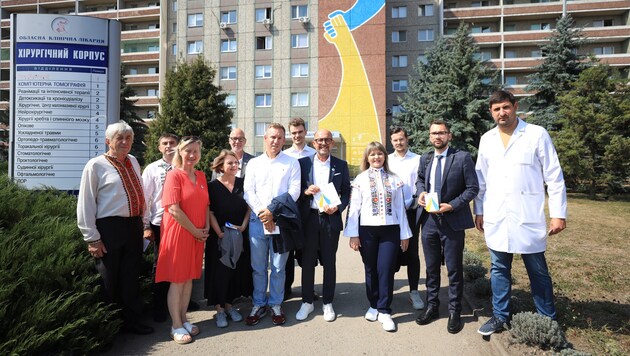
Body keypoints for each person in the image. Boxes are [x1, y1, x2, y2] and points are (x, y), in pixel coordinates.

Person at [474, 90, 567, 336]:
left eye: (506, 107)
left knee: (537, 270)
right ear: (491, 112)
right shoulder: (487, 139)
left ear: (515, 106)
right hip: (496, 215)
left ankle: (548, 319)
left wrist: (558, 214)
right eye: (496, 109)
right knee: (498, 269)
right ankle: (499, 316)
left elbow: (554, 176)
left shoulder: (536, 134)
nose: (502, 113)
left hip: (528, 216)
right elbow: (480, 180)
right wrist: (479, 210)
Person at [77, 121, 154, 335]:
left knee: (131, 278)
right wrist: (92, 238)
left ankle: (132, 323)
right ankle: (105, 329)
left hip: (133, 226)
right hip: (109, 228)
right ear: (107, 141)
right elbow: (86, 203)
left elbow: (141, 195)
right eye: (119, 138)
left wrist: (144, 224)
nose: (124, 142)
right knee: (108, 280)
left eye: (128, 138)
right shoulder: (95, 165)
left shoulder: (134, 161)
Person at [414, 120, 479, 334]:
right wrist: (421, 192)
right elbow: (420, 180)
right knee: (431, 268)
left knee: (453, 269)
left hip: (452, 222)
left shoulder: (462, 158)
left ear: (449, 135)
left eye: (441, 133)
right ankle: (432, 306)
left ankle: (455, 311)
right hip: (429, 222)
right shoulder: (426, 158)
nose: (437, 137)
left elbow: (472, 188)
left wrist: (452, 205)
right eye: (434, 133)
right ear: (430, 136)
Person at [345, 142, 412, 332]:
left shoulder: (394, 179)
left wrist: (405, 234)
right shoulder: (360, 179)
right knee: (370, 268)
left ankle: (384, 310)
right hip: (367, 231)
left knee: (386, 269)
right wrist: (353, 235)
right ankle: (373, 305)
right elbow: (354, 209)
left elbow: (401, 209)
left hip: (390, 231)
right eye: (372, 155)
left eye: (379, 154)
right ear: (367, 158)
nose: (376, 157)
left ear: (385, 157)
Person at [244, 123, 301, 326]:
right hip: (257, 223)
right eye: (272, 137)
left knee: (278, 267)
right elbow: (248, 191)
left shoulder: (292, 163)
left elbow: (293, 192)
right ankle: (259, 304)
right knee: (258, 267)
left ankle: (276, 303)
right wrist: (263, 213)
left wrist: (272, 213)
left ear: (283, 140)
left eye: (279, 138)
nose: (275, 141)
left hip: (280, 223)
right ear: (265, 139)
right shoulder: (254, 163)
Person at [155, 136, 210, 344]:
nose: (192, 155)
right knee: (177, 281)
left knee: (188, 280)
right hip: (179, 234)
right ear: (180, 152)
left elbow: (206, 205)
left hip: (197, 235)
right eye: (188, 151)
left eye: (196, 151)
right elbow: (174, 209)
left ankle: (184, 319)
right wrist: (196, 231)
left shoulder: (201, 176)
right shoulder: (173, 175)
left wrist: (204, 228)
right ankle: (175, 325)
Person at [295, 129, 351, 322]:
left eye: (327, 140)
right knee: (308, 262)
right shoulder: (302, 164)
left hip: (330, 219)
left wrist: (338, 207)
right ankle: (307, 302)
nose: (323, 143)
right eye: (319, 140)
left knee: (329, 262)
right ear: (313, 144)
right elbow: (295, 190)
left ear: (332, 143)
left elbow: (346, 193)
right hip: (309, 218)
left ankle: (328, 302)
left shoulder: (341, 165)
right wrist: (306, 191)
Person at [204, 150, 251, 328]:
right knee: (219, 273)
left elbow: (249, 207)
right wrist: (220, 233)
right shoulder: (212, 186)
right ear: (221, 166)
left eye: (235, 163)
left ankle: (230, 306)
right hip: (220, 237)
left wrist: (244, 226)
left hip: (239, 235)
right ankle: (220, 310)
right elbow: (210, 212)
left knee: (235, 271)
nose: (233, 166)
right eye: (229, 163)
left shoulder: (243, 183)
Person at [142, 133, 179, 323]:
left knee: (180, 262)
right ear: (159, 148)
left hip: (182, 223)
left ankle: (181, 302)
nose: (169, 146)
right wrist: (146, 225)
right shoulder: (152, 169)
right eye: (165, 143)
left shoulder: (183, 166)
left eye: (172, 143)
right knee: (161, 264)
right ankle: (159, 306)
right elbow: (145, 198)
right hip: (159, 222)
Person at [388, 127, 424, 310]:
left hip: (411, 211)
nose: (398, 143)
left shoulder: (417, 160)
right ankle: (388, 292)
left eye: (401, 139)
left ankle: (414, 292)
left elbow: (422, 184)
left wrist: (413, 201)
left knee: (411, 252)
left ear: (406, 139)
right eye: (395, 140)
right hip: (391, 214)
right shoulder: (386, 160)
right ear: (391, 141)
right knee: (390, 251)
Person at [282, 118, 316, 300]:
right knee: (288, 253)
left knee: (307, 253)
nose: (297, 136)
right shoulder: (285, 156)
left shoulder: (313, 154)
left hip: (308, 210)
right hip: (289, 209)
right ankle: (286, 289)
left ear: (305, 132)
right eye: (293, 133)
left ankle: (308, 289)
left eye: (300, 132)